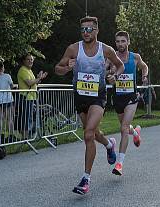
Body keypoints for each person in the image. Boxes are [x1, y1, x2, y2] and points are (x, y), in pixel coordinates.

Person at [54, 16, 124, 195]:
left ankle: (86, 179)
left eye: (89, 29)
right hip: (80, 96)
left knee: (88, 134)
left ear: (96, 31)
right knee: (92, 133)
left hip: (98, 97)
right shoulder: (73, 49)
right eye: (83, 29)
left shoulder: (106, 50)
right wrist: (67, 68)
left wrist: (114, 76)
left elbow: (119, 65)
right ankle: (109, 144)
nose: (86, 32)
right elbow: (57, 69)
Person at [108, 30, 148, 177]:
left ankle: (119, 164)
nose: (120, 44)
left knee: (124, 128)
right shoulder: (112, 58)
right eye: (118, 41)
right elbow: (103, 70)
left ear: (128, 42)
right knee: (124, 127)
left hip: (131, 96)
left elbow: (144, 66)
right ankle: (136, 132)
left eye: (123, 41)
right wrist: (109, 75)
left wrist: (144, 75)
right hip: (118, 97)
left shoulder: (135, 57)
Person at [16, 53, 47, 139]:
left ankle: (27, 138)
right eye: (28, 59)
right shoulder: (23, 70)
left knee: (28, 118)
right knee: (25, 118)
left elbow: (34, 82)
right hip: (25, 97)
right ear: (24, 61)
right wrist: (39, 78)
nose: (30, 61)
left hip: (31, 97)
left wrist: (39, 78)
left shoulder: (29, 70)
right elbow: (29, 83)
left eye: (32, 60)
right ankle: (25, 138)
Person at [0, 60, 15, 140]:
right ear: (2, 68)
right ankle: (11, 135)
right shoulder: (7, 76)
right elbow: (11, 85)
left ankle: (0, 135)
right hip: (7, 99)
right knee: (9, 118)